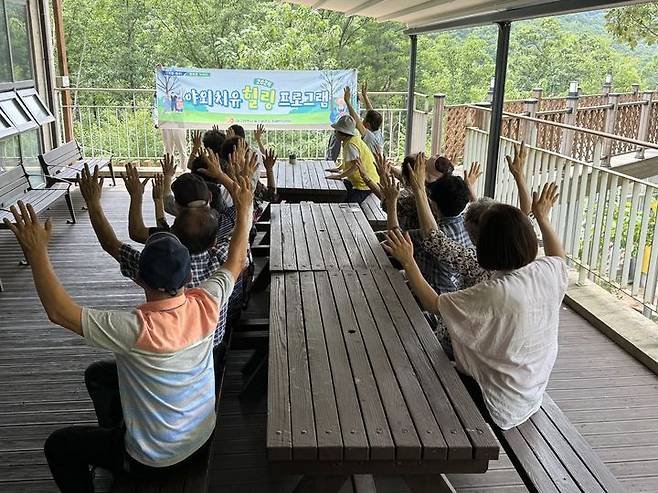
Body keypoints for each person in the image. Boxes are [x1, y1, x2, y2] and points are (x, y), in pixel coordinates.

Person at [2, 167, 253, 491]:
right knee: (100, 373)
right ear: (186, 276)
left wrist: (37, 253)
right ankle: (119, 430)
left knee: (59, 446)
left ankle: (118, 452)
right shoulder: (207, 300)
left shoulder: (134, 329)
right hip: (202, 436)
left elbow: (59, 312)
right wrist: (244, 208)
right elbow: (234, 259)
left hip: (152, 460)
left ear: (141, 278)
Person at [383, 174, 567, 431]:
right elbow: (558, 256)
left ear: (485, 247)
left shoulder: (496, 291)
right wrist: (544, 219)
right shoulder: (545, 271)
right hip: (530, 389)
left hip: (499, 401)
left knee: (410, 361)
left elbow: (433, 304)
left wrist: (409, 262)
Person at [325, 114, 379, 203]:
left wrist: (339, 176)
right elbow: (350, 160)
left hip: (365, 186)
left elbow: (356, 166)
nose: (335, 133)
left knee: (348, 205)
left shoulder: (350, 145)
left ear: (343, 134)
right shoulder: (352, 140)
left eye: (336, 131)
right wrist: (339, 168)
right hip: (360, 182)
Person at [343, 82, 384, 155]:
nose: (362, 120)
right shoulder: (377, 132)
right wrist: (364, 96)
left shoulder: (370, 137)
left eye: (364, 119)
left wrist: (347, 101)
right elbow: (370, 112)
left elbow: (357, 121)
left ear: (367, 125)